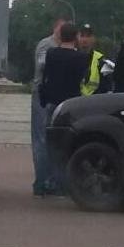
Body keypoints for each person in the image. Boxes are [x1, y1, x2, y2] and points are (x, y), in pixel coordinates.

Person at [39, 22, 91, 194]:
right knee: (71, 144)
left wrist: (43, 99)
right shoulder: (82, 58)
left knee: (51, 145)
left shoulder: (52, 54)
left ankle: (52, 182)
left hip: (53, 103)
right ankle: (70, 184)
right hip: (72, 105)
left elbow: (45, 77)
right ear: (76, 37)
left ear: (60, 37)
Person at [31, 16, 66, 196]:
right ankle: (42, 181)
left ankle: (55, 180)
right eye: (61, 30)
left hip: (54, 93)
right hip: (41, 94)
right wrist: (61, 56)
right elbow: (41, 64)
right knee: (41, 139)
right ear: (55, 28)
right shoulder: (46, 44)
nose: (63, 34)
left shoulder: (63, 47)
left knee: (53, 138)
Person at [79, 24, 111, 96]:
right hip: (75, 101)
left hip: (95, 101)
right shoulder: (71, 58)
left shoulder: (101, 60)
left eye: (88, 36)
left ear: (93, 39)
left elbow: (107, 87)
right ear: (77, 38)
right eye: (82, 36)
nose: (85, 39)